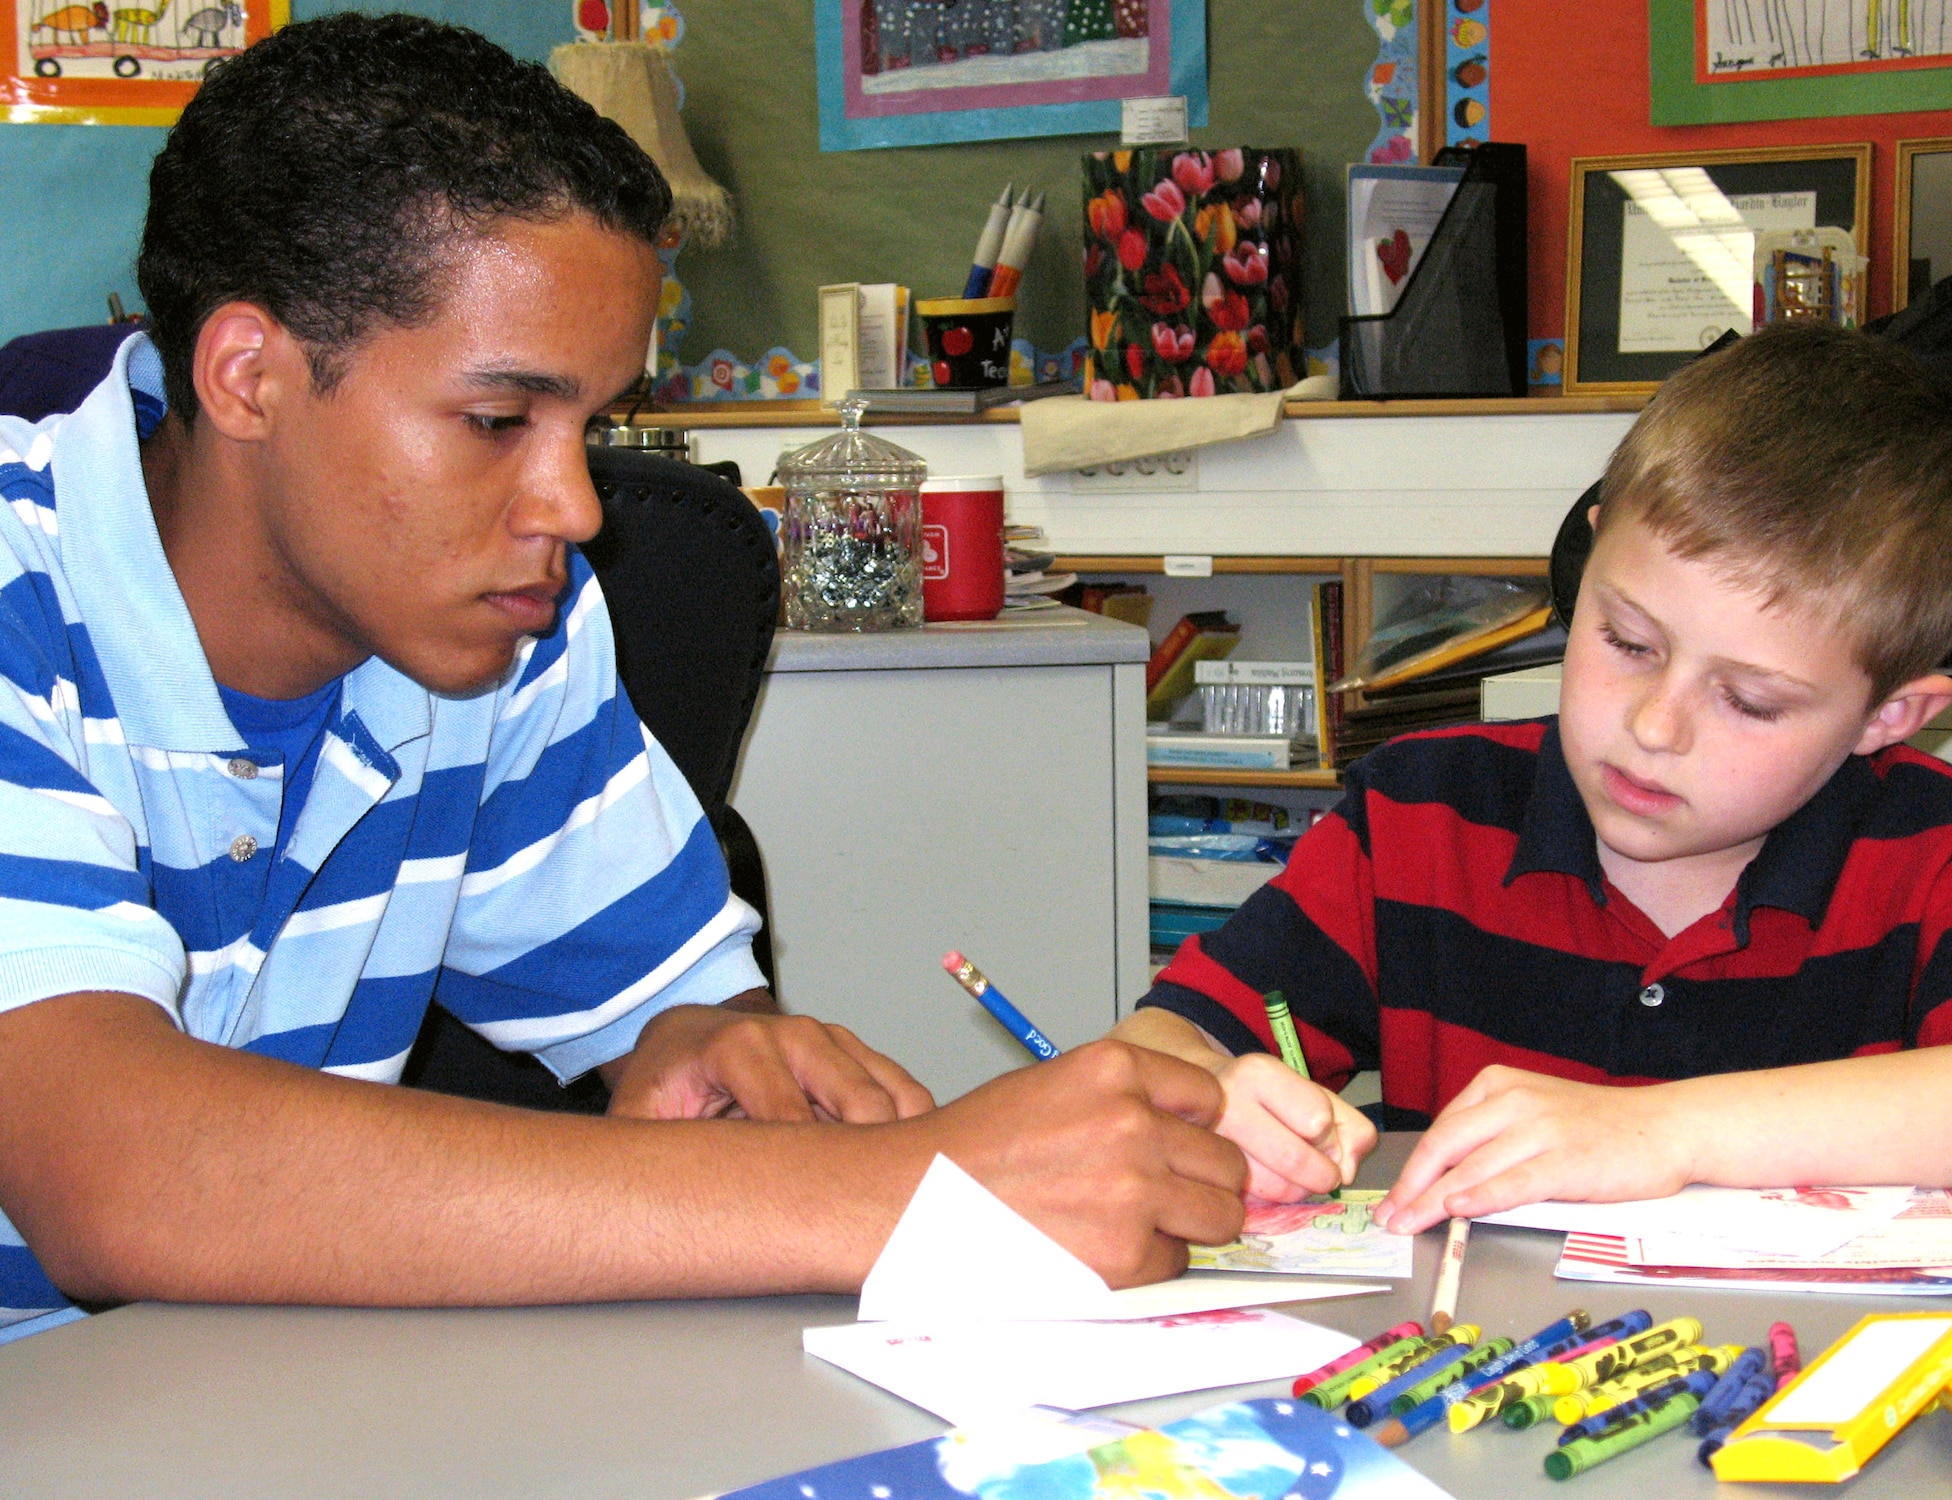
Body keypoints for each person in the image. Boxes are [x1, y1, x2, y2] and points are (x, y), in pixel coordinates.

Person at [0, 13, 1246, 1332]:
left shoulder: (498, 621)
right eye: (496, 421)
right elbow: (117, 1178)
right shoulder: (28, 597)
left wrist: (708, 1045)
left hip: (231, 1397)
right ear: (249, 376)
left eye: (594, 427)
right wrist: (895, 1193)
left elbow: (668, 1013)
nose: (574, 507)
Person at [1112, 321, 1952, 1234]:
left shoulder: (1943, 855)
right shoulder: (1420, 815)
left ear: (1888, 717)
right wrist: (1217, 1096)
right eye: (1627, 642)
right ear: (1594, 551)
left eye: (1751, 701)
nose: (1655, 727)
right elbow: (1155, 1051)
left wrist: (1658, 1133)